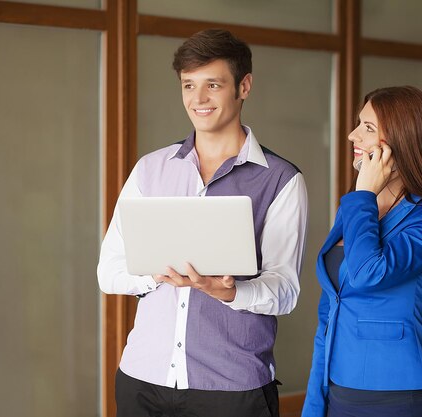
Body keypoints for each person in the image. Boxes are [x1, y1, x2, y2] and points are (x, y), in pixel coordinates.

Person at [97, 29, 308, 417]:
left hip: (232, 388)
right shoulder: (150, 170)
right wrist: (158, 274)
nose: (198, 99)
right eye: (188, 85)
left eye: (213, 84)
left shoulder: (281, 180)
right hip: (142, 379)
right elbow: (108, 272)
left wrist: (226, 292)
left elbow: (285, 291)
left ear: (243, 86)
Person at [302, 86, 422, 417]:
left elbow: (367, 274)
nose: (352, 135)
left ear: (403, 141)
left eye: (368, 128)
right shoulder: (357, 207)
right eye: (358, 124)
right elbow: (328, 315)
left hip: (398, 396)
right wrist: (314, 406)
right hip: (337, 390)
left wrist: (364, 193)